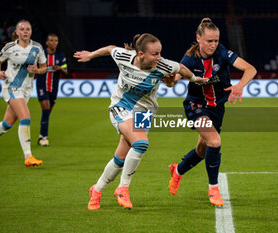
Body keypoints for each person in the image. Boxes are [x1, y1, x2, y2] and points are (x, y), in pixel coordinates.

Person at [74, 33, 207, 210]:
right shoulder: (124, 57)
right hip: (121, 106)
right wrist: (90, 55)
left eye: (160, 53)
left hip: (144, 112)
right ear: (140, 54)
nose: (159, 57)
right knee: (141, 143)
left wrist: (193, 79)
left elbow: (181, 69)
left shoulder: (162, 65)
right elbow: (110, 49)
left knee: (120, 158)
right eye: (154, 54)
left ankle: (96, 190)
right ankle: (123, 188)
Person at [166, 18, 257, 207]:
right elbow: (173, 80)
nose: (213, 45)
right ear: (198, 38)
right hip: (196, 106)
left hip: (217, 108)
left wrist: (240, 85)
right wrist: (167, 79)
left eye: (216, 40)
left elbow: (250, 69)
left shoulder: (222, 52)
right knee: (215, 141)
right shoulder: (189, 59)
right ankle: (213, 188)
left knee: (202, 150)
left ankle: (178, 170)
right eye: (209, 41)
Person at [0, 19, 47, 167]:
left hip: (26, 90)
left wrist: (37, 70)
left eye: (27, 29)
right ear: (16, 32)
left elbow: (44, 67)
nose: (25, 31)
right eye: (22, 29)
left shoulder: (37, 48)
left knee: (7, 124)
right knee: (25, 117)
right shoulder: (10, 47)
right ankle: (28, 156)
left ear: (31, 31)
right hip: (12, 87)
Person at [36, 33, 68, 146]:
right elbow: (34, 68)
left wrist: (59, 68)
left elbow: (66, 71)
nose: (54, 43)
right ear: (47, 42)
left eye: (56, 41)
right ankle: (44, 138)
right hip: (42, 86)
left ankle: (41, 135)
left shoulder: (60, 55)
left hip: (54, 87)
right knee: (46, 109)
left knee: (47, 112)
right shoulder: (41, 54)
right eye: (51, 40)